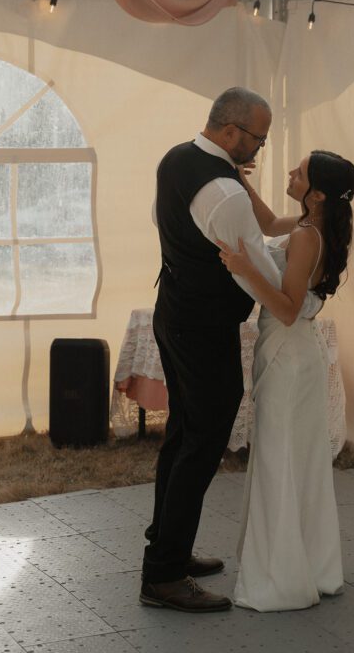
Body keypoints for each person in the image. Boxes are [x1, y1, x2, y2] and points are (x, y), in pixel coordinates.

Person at [140, 86, 284, 613]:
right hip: (202, 328)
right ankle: (163, 576)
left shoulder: (177, 158)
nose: (260, 148)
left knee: (183, 435)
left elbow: (160, 219)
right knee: (201, 444)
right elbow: (257, 270)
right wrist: (297, 293)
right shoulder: (225, 191)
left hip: (174, 311)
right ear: (230, 131)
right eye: (259, 139)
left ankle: (168, 546)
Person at [217, 149, 354, 612]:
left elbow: (288, 309)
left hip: (289, 359)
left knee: (281, 462)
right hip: (295, 357)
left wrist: (246, 270)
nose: (291, 173)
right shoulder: (310, 226)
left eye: (300, 172)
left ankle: (281, 579)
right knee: (295, 462)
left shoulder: (305, 238)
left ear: (317, 194)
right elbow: (266, 220)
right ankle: (310, 566)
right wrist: (238, 179)